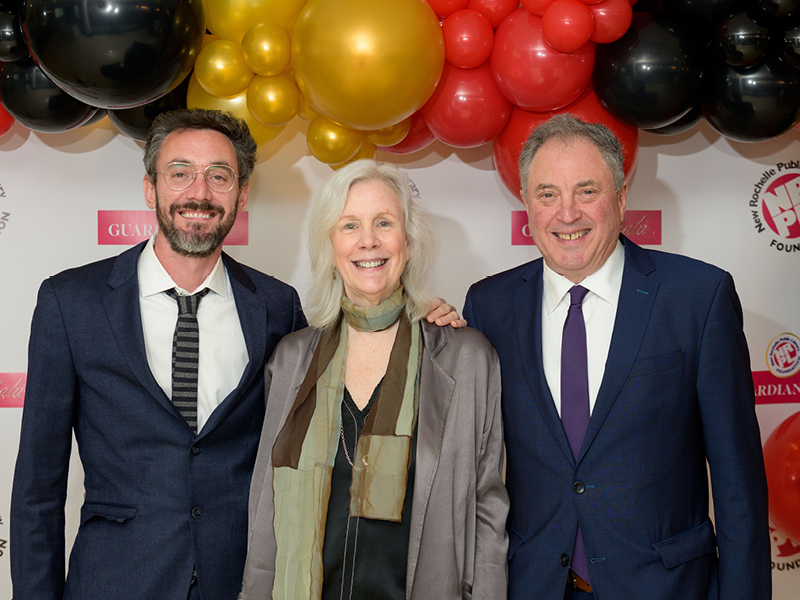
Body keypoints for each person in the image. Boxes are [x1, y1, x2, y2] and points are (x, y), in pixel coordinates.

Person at [10, 109, 463, 600]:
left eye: (219, 177)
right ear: (150, 188)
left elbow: (347, 371)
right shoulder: (71, 302)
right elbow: (38, 488)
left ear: (242, 194)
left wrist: (418, 315)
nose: (198, 193)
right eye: (179, 174)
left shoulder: (275, 307)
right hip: (115, 581)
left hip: (238, 582)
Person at [463, 114, 771, 600]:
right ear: (526, 203)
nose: (567, 214)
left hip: (666, 587)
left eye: (587, 191)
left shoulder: (697, 297)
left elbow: (739, 488)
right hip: (533, 586)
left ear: (622, 197)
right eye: (547, 194)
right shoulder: (489, 306)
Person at [239, 159, 509, 600]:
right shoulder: (290, 359)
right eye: (349, 226)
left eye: (384, 223)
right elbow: (264, 504)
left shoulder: (466, 358)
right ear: (330, 244)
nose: (368, 241)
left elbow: (489, 509)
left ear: (409, 241)